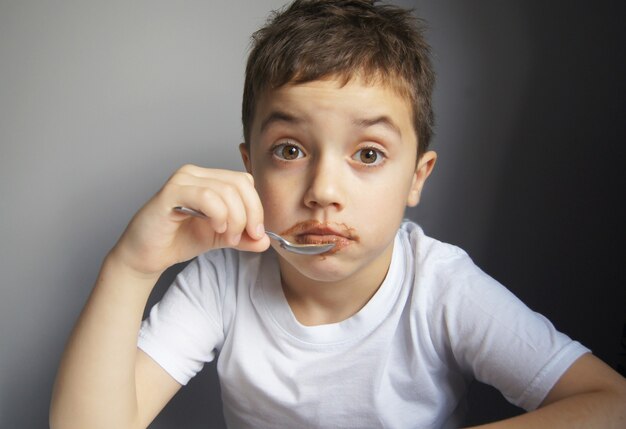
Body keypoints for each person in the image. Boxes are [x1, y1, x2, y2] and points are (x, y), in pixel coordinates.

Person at [49, 1, 626, 428]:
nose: (323, 190)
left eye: (368, 155)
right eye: (290, 150)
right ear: (250, 168)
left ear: (416, 178)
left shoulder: (440, 286)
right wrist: (129, 266)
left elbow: (612, 402)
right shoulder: (222, 282)